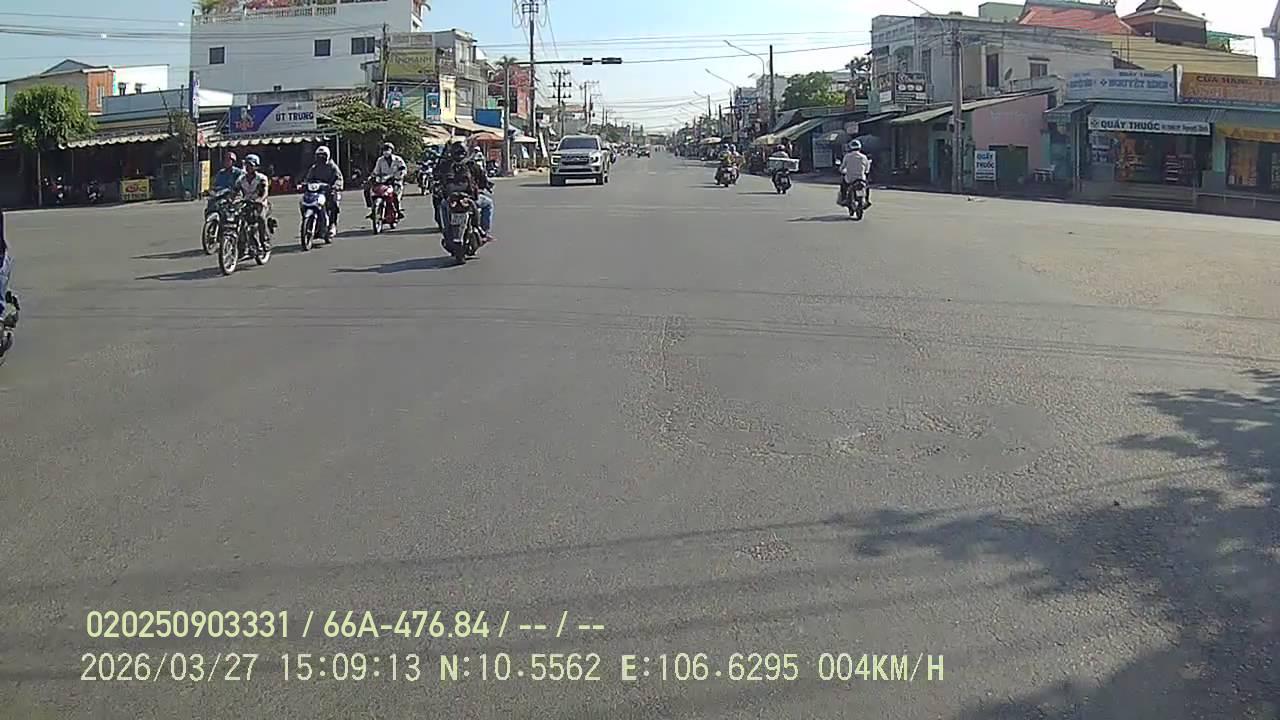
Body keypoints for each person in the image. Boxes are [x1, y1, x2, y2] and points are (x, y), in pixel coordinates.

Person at [301, 145, 344, 235]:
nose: (321, 158)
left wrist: (336, 185)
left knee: (333, 203)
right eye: (319, 156)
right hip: (316, 191)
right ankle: (308, 221)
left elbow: (339, 178)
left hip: (329, 190)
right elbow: (308, 178)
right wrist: (304, 184)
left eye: (323, 156)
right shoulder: (314, 168)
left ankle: (332, 224)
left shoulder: (332, 166)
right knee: (303, 201)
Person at [366, 141, 408, 220]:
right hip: (383, 181)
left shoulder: (398, 159)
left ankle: (398, 210)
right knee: (369, 190)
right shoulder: (380, 160)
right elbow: (376, 171)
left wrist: (399, 175)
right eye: (384, 150)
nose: (386, 151)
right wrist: (372, 177)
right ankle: (373, 209)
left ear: (392, 150)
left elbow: (403, 169)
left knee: (395, 195)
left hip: (395, 181)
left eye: (387, 149)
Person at [236, 154, 272, 247]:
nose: (248, 168)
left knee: (260, 218)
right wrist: (231, 199)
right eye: (246, 165)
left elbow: (265, 192)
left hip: (260, 204)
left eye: (251, 165)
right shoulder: (241, 179)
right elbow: (235, 191)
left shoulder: (261, 178)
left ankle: (264, 241)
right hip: (246, 203)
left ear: (256, 166)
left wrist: (259, 200)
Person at [839, 139, 872, 207]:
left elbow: (842, 167)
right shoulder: (863, 157)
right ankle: (867, 200)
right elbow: (867, 169)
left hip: (849, 179)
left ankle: (844, 198)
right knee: (866, 187)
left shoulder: (847, 156)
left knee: (843, 185)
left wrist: (842, 171)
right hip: (861, 178)